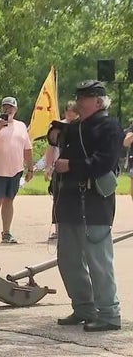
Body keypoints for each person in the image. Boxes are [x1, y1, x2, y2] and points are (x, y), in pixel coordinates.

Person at [47, 80, 122, 332]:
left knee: (98, 261)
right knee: (68, 259)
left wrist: (72, 166)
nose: (79, 101)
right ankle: (83, 308)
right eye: (78, 96)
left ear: (98, 102)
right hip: (69, 201)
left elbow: (104, 162)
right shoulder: (75, 127)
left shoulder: (110, 126)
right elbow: (55, 138)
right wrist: (55, 133)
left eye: (85, 97)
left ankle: (109, 314)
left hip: (94, 201)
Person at [0, 97, 34, 244]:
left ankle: (6, 233)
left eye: (10, 107)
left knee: (9, 201)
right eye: (5, 107)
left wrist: (30, 168)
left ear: (15, 110)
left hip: (15, 170)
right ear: (1, 109)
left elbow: (28, 149)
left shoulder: (21, 126)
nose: (7, 109)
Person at [44, 101, 79, 240]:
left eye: (73, 112)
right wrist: (47, 167)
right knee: (58, 199)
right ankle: (59, 229)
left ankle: (74, 228)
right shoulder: (58, 127)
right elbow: (51, 148)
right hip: (59, 168)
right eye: (68, 111)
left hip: (75, 168)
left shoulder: (81, 127)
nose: (70, 114)